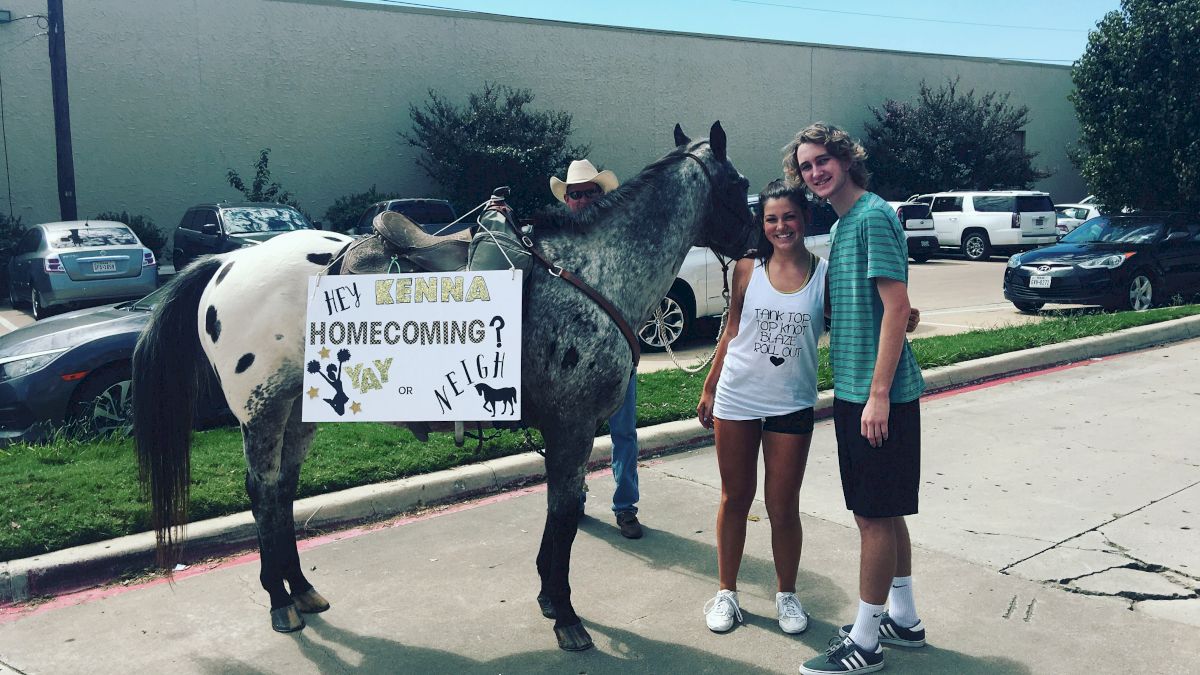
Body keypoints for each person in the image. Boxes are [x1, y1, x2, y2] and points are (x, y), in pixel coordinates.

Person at [787, 123, 926, 675]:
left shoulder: (871, 216)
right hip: (857, 392)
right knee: (884, 512)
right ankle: (904, 619)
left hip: (877, 398)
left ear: (846, 160)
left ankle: (866, 645)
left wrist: (878, 395)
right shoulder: (847, 223)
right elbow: (886, 308)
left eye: (823, 161)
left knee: (871, 518)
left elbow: (897, 307)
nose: (815, 172)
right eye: (805, 166)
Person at [696, 179, 825, 636]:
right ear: (762, 224)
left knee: (783, 505)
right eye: (771, 218)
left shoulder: (824, 273)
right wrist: (711, 386)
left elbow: (864, 314)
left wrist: (903, 314)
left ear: (804, 218)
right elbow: (731, 330)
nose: (781, 226)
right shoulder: (747, 269)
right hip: (738, 397)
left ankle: (786, 594)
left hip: (791, 402)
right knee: (735, 498)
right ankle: (727, 592)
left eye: (789, 216)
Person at [550, 159, 644, 540]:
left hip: (616, 352)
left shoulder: (622, 240)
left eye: (590, 192)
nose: (583, 200)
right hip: (571, 359)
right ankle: (576, 497)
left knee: (624, 433)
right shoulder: (557, 243)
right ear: (567, 199)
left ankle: (626, 508)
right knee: (573, 435)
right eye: (576, 194)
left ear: (602, 196)